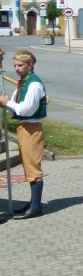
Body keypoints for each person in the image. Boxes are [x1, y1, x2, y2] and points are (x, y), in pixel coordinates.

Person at [0, 49, 47, 218]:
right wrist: (6, 103)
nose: (17, 68)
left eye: (20, 65)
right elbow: (15, 103)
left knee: (33, 167)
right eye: (15, 66)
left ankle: (36, 207)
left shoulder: (34, 84)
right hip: (24, 127)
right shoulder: (24, 82)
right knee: (28, 165)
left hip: (31, 128)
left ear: (30, 65)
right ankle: (33, 203)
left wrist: (9, 104)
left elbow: (27, 109)